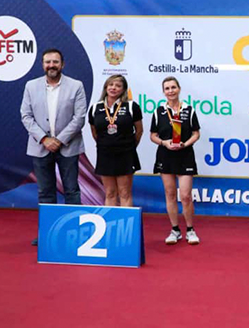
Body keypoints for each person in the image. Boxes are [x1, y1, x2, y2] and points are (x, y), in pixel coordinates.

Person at [20, 48, 87, 246]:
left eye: (55, 62)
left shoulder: (76, 86)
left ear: (62, 64)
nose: (51, 65)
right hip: (40, 147)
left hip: (68, 146)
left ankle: (73, 233)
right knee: (45, 192)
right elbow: (26, 115)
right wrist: (44, 139)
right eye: (48, 62)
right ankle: (49, 234)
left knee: (72, 191)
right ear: (43, 64)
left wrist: (59, 140)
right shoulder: (31, 86)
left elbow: (79, 117)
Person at [150, 77, 201, 245]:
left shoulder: (189, 110)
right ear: (164, 92)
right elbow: (153, 136)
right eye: (167, 88)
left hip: (185, 155)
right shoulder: (159, 112)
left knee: (185, 196)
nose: (170, 91)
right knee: (170, 194)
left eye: (173, 87)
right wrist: (164, 143)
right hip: (166, 156)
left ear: (179, 89)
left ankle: (190, 230)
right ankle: (175, 230)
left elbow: (196, 133)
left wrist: (185, 144)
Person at [88, 75, 143, 207]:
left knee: (125, 193)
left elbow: (139, 131)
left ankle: (126, 227)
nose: (113, 88)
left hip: (125, 154)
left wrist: (127, 146)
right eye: (111, 85)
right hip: (105, 154)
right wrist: (107, 144)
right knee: (110, 193)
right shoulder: (96, 108)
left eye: (118, 86)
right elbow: (95, 132)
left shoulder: (131, 106)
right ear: (106, 87)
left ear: (123, 89)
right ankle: (110, 226)